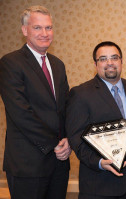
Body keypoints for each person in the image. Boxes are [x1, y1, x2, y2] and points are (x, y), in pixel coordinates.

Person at [0, 5, 71, 199]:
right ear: (24, 31)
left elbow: (65, 108)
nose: (45, 33)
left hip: (59, 162)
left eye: (48, 27)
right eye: (37, 28)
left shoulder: (57, 64)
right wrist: (54, 144)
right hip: (28, 165)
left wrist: (68, 140)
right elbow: (21, 113)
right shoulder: (10, 63)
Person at [66, 41, 126, 199]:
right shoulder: (80, 94)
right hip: (98, 184)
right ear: (95, 64)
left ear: (121, 61)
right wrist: (99, 162)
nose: (110, 63)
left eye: (114, 57)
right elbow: (76, 138)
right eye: (103, 59)